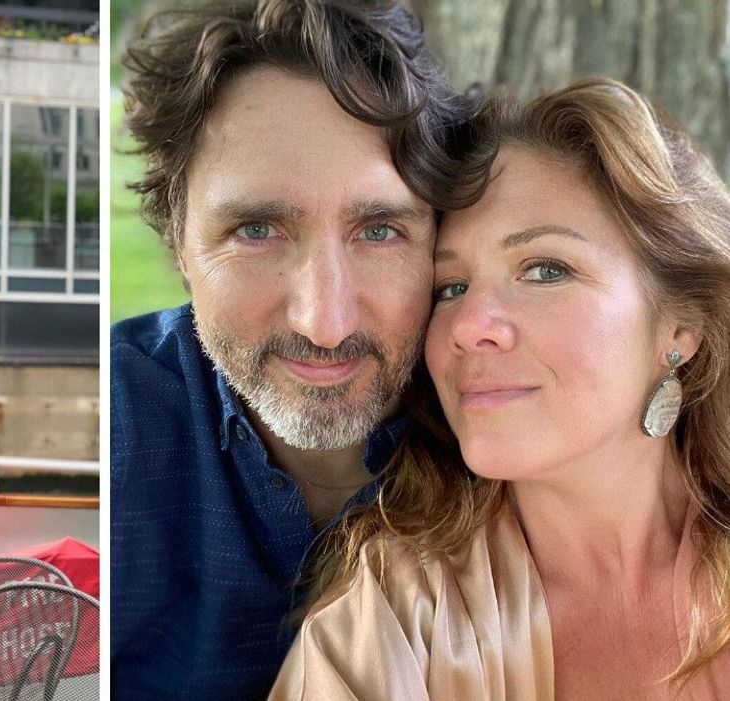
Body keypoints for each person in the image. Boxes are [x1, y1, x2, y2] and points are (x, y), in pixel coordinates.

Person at [273, 78, 730, 699]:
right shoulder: (395, 623)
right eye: (450, 288)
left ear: (681, 326)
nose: (467, 326)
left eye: (545, 270)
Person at [109, 0, 484, 697]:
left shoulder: (506, 434)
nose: (324, 323)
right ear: (178, 242)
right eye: (257, 230)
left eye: (379, 231)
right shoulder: (117, 424)